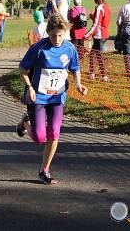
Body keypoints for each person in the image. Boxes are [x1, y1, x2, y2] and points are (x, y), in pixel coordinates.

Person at [18, 13, 88, 185]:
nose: (57, 39)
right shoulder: (38, 48)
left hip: (57, 97)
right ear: (48, 32)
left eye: (60, 35)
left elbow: (75, 67)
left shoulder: (69, 48)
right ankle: (25, 123)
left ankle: (44, 170)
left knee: (54, 133)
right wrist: (29, 87)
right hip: (39, 96)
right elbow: (23, 69)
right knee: (39, 138)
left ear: (65, 33)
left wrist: (78, 84)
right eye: (53, 35)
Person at [17, 10, 48, 136]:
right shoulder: (41, 28)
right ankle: (28, 121)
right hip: (38, 63)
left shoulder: (38, 28)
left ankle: (32, 120)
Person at [84, 0, 111, 82]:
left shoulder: (100, 8)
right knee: (92, 55)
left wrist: (87, 34)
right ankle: (92, 74)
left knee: (99, 56)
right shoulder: (106, 7)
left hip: (99, 35)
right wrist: (92, 16)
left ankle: (104, 76)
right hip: (104, 33)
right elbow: (103, 20)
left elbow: (96, 24)